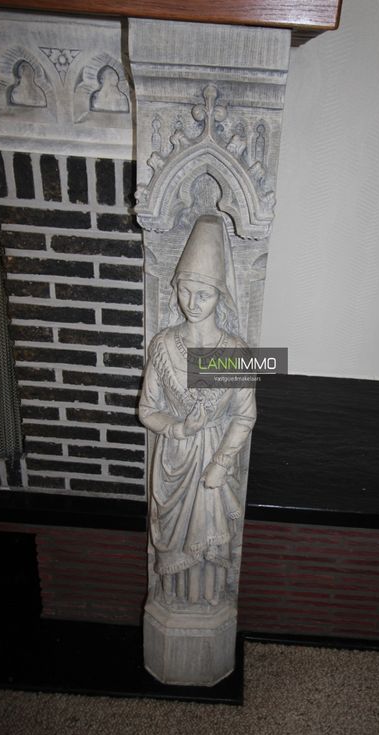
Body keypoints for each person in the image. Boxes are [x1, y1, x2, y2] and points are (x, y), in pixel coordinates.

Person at [138, 215, 256, 607]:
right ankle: (171, 598)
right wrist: (180, 428)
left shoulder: (235, 352)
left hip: (214, 460)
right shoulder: (163, 345)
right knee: (174, 539)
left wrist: (221, 462)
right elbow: (147, 409)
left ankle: (209, 600)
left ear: (220, 296)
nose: (193, 303)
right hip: (174, 460)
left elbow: (244, 415)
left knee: (210, 537)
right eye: (185, 291)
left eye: (203, 294)